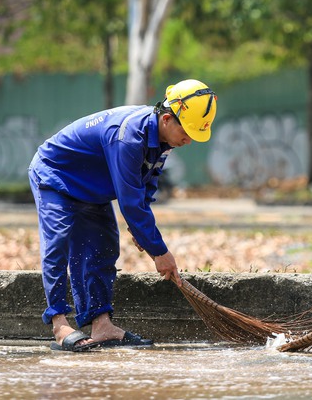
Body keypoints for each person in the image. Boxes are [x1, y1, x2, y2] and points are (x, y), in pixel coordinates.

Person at [28, 79, 218, 352]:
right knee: (59, 241)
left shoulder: (162, 140)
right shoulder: (128, 136)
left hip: (92, 185)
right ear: (167, 119)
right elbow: (130, 204)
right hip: (56, 174)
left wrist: (142, 232)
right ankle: (59, 323)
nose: (189, 140)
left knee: (103, 247)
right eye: (187, 131)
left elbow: (145, 187)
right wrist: (159, 251)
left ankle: (101, 325)